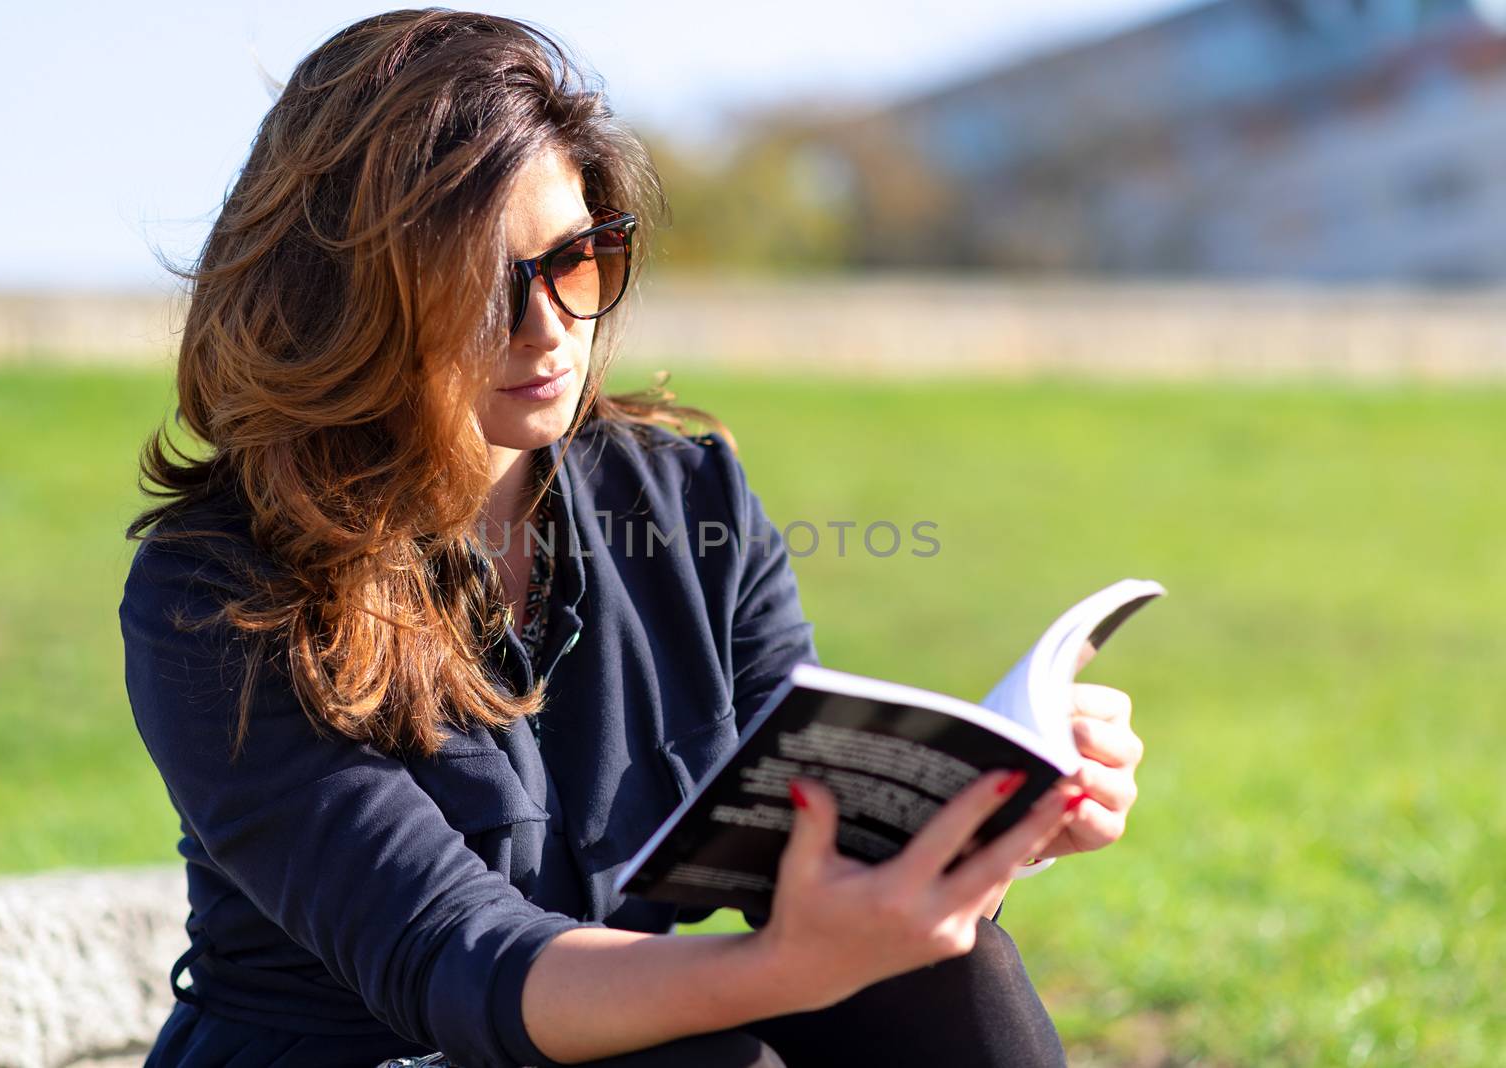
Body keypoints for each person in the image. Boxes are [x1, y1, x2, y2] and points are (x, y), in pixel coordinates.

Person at [119, 10, 1146, 1067]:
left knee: (954, 971)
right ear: (354, 302)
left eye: (575, 260)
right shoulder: (217, 589)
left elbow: (810, 838)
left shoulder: (681, 496)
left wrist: (993, 827)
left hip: (627, 1036)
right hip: (367, 1052)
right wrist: (782, 972)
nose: (550, 327)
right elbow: (456, 959)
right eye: (480, 286)